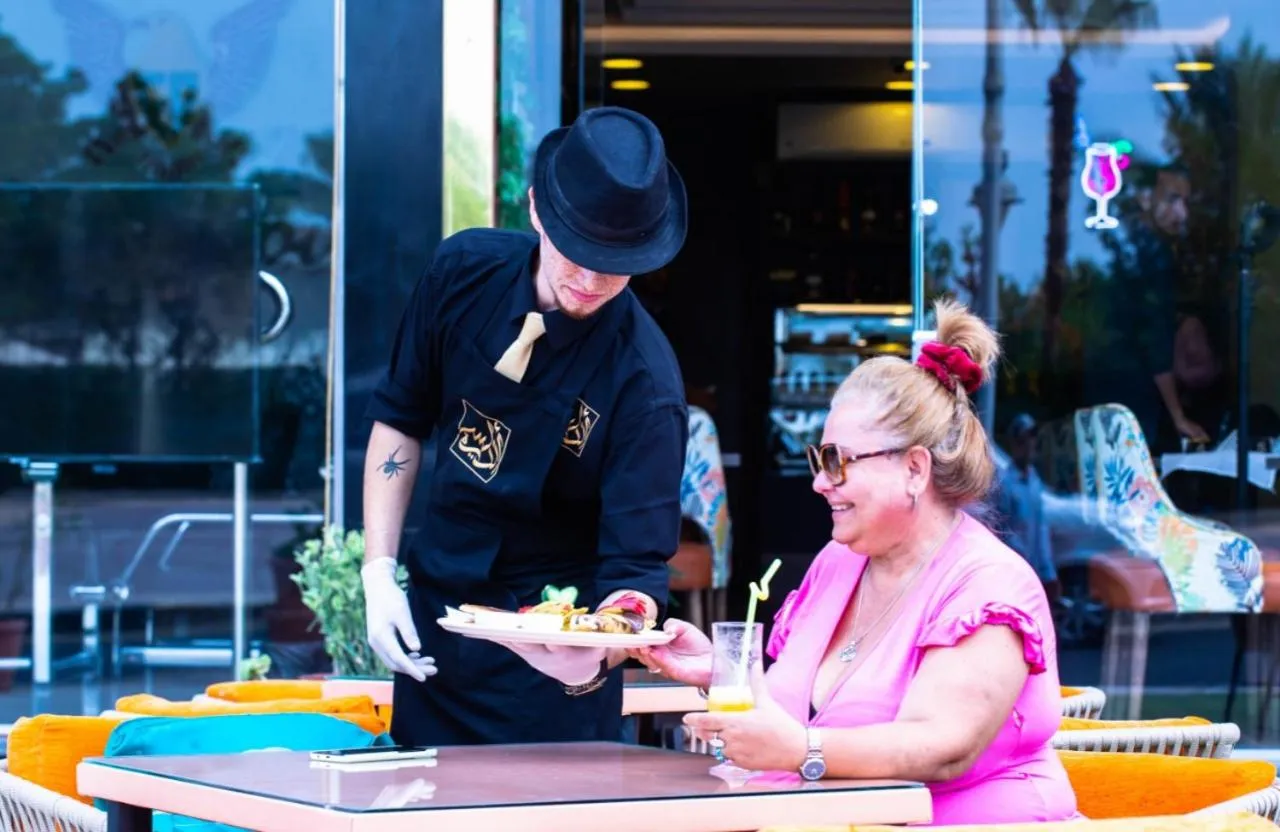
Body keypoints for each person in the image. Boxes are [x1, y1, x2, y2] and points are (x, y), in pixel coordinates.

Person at [631, 299, 1080, 826]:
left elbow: (941, 746)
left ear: (914, 469)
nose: (821, 482)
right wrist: (722, 672)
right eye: (819, 460)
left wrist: (802, 750)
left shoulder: (989, 585)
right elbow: (797, 711)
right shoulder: (841, 560)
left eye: (838, 462)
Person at [359, 106, 690, 746]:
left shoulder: (645, 384)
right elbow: (400, 419)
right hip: (437, 628)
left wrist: (595, 649)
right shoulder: (461, 273)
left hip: (553, 673)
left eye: (617, 262)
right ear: (538, 210)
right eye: (578, 253)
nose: (592, 281)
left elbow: (637, 577)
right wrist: (378, 570)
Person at [993, 413, 1060, 604]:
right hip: (1013, 577)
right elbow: (1002, 532)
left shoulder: (1034, 481)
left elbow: (1041, 529)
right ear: (1015, 444)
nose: (1030, 445)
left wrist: (1049, 573)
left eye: (1032, 439)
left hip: (1035, 576)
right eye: (1024, 440)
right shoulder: (1004, 484)